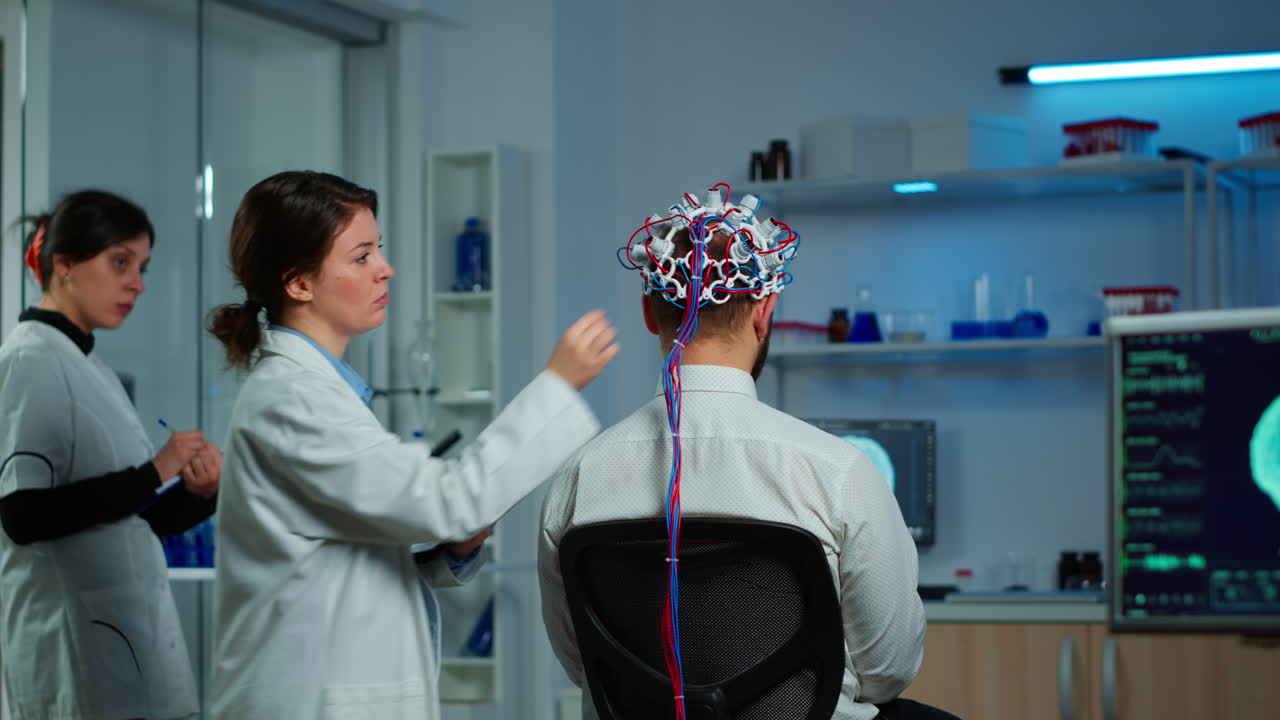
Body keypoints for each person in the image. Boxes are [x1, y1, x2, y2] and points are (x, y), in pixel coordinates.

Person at [206, 170, 618, 719]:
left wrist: (452, 552)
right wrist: (558, 386)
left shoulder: (317, 393)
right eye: (361, 257)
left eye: (380, 249)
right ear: (298, 283)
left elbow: (341, 562)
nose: (385, 268)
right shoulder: (292, 400)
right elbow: (449, 502)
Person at [539, 186, 954, 720]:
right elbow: (888, 669)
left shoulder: (579, 477)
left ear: (649, 311)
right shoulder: (838, 472)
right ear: (764, 312)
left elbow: (584, 666)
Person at [0, 190, 221, 720]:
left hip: (123, 645)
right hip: (72, 651)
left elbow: (133, 518)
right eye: (120, 262)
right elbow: (22, 515)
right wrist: (155, 470)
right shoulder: (31, 358)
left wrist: (198, 492)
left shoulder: (88, 364)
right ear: (65, 264)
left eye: (142, 267)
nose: (137, 284)